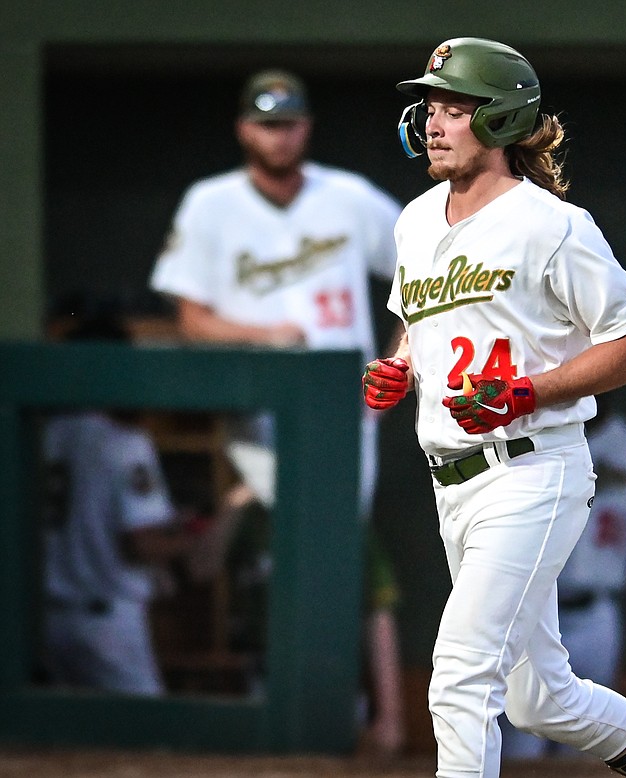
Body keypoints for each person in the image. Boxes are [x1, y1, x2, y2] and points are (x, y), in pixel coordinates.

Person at [362, 36, 626, 778]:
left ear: (502, 121)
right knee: (539, 699)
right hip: (452, 479)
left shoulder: (553, 224)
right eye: (431, 105)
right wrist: (398, 362)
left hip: (533, 470)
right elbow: (419, 324)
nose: (433, 121)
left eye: (456, 107)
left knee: (459, 673)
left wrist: (529, 390)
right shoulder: (417, 218)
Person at [149, 69, 407, 753]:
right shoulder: (210, 204)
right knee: (263, 555)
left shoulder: (347, 196)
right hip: (256, 409)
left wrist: (393, 370)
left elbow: (425, 277)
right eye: (265, 122)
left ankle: (353, 714)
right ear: (242, 128)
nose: (278, 134)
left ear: (307, 127)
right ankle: (280, 706)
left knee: (342, 549)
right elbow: (190, 318)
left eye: (289, 121)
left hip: (344, 410)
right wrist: (265, 336)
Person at [500, 394, 626, 760]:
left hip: (597, 615)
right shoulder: (522, 438)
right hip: (528, 610)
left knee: (588, 755)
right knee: (518, 748)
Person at [39, 314, 195, 696]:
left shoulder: (40, 436)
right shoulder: (124, 442)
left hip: (44, 620)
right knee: (151, 739)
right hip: (105, 620)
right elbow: (139, 544)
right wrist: (195, 536)